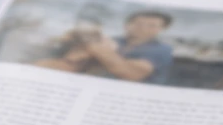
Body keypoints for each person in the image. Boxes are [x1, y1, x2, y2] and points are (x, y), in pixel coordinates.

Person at [36, 10, 175, 84]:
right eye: (138, 23)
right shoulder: (114, 40)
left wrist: (93, 45)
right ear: (127, 25)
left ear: (162, 29)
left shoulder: (161, 49)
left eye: (151, 26)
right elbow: (73, 61)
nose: (143, 28)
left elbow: (130, 73)